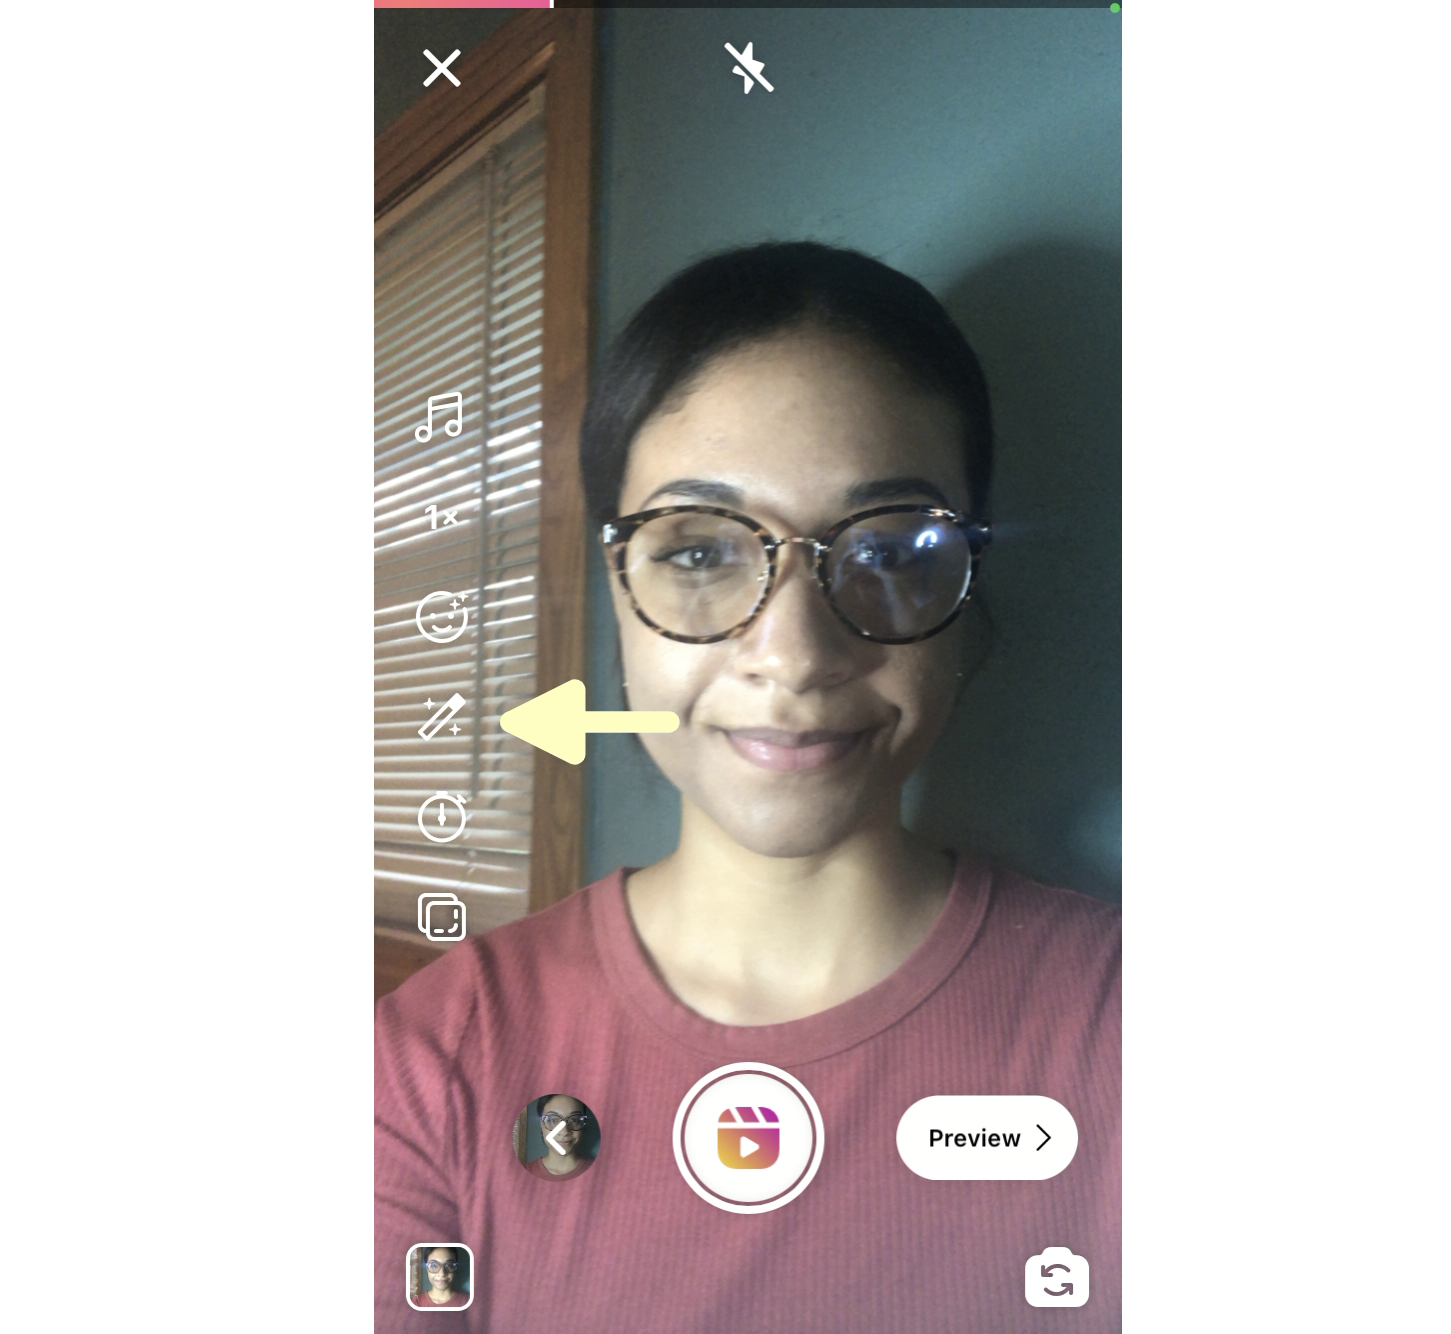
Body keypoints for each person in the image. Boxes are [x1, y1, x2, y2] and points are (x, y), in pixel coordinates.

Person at [376, 242, 1120, 1331]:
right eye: (699, 552)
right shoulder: (433, 1066)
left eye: (892, 548)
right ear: (618, 583)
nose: (796, 654)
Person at [521, 1094, 598, 1180]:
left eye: (574, 1120)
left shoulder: (599, 1172)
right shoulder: (521, 1175)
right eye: (553, 1120)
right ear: (541, 1124)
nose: (564, 1132)